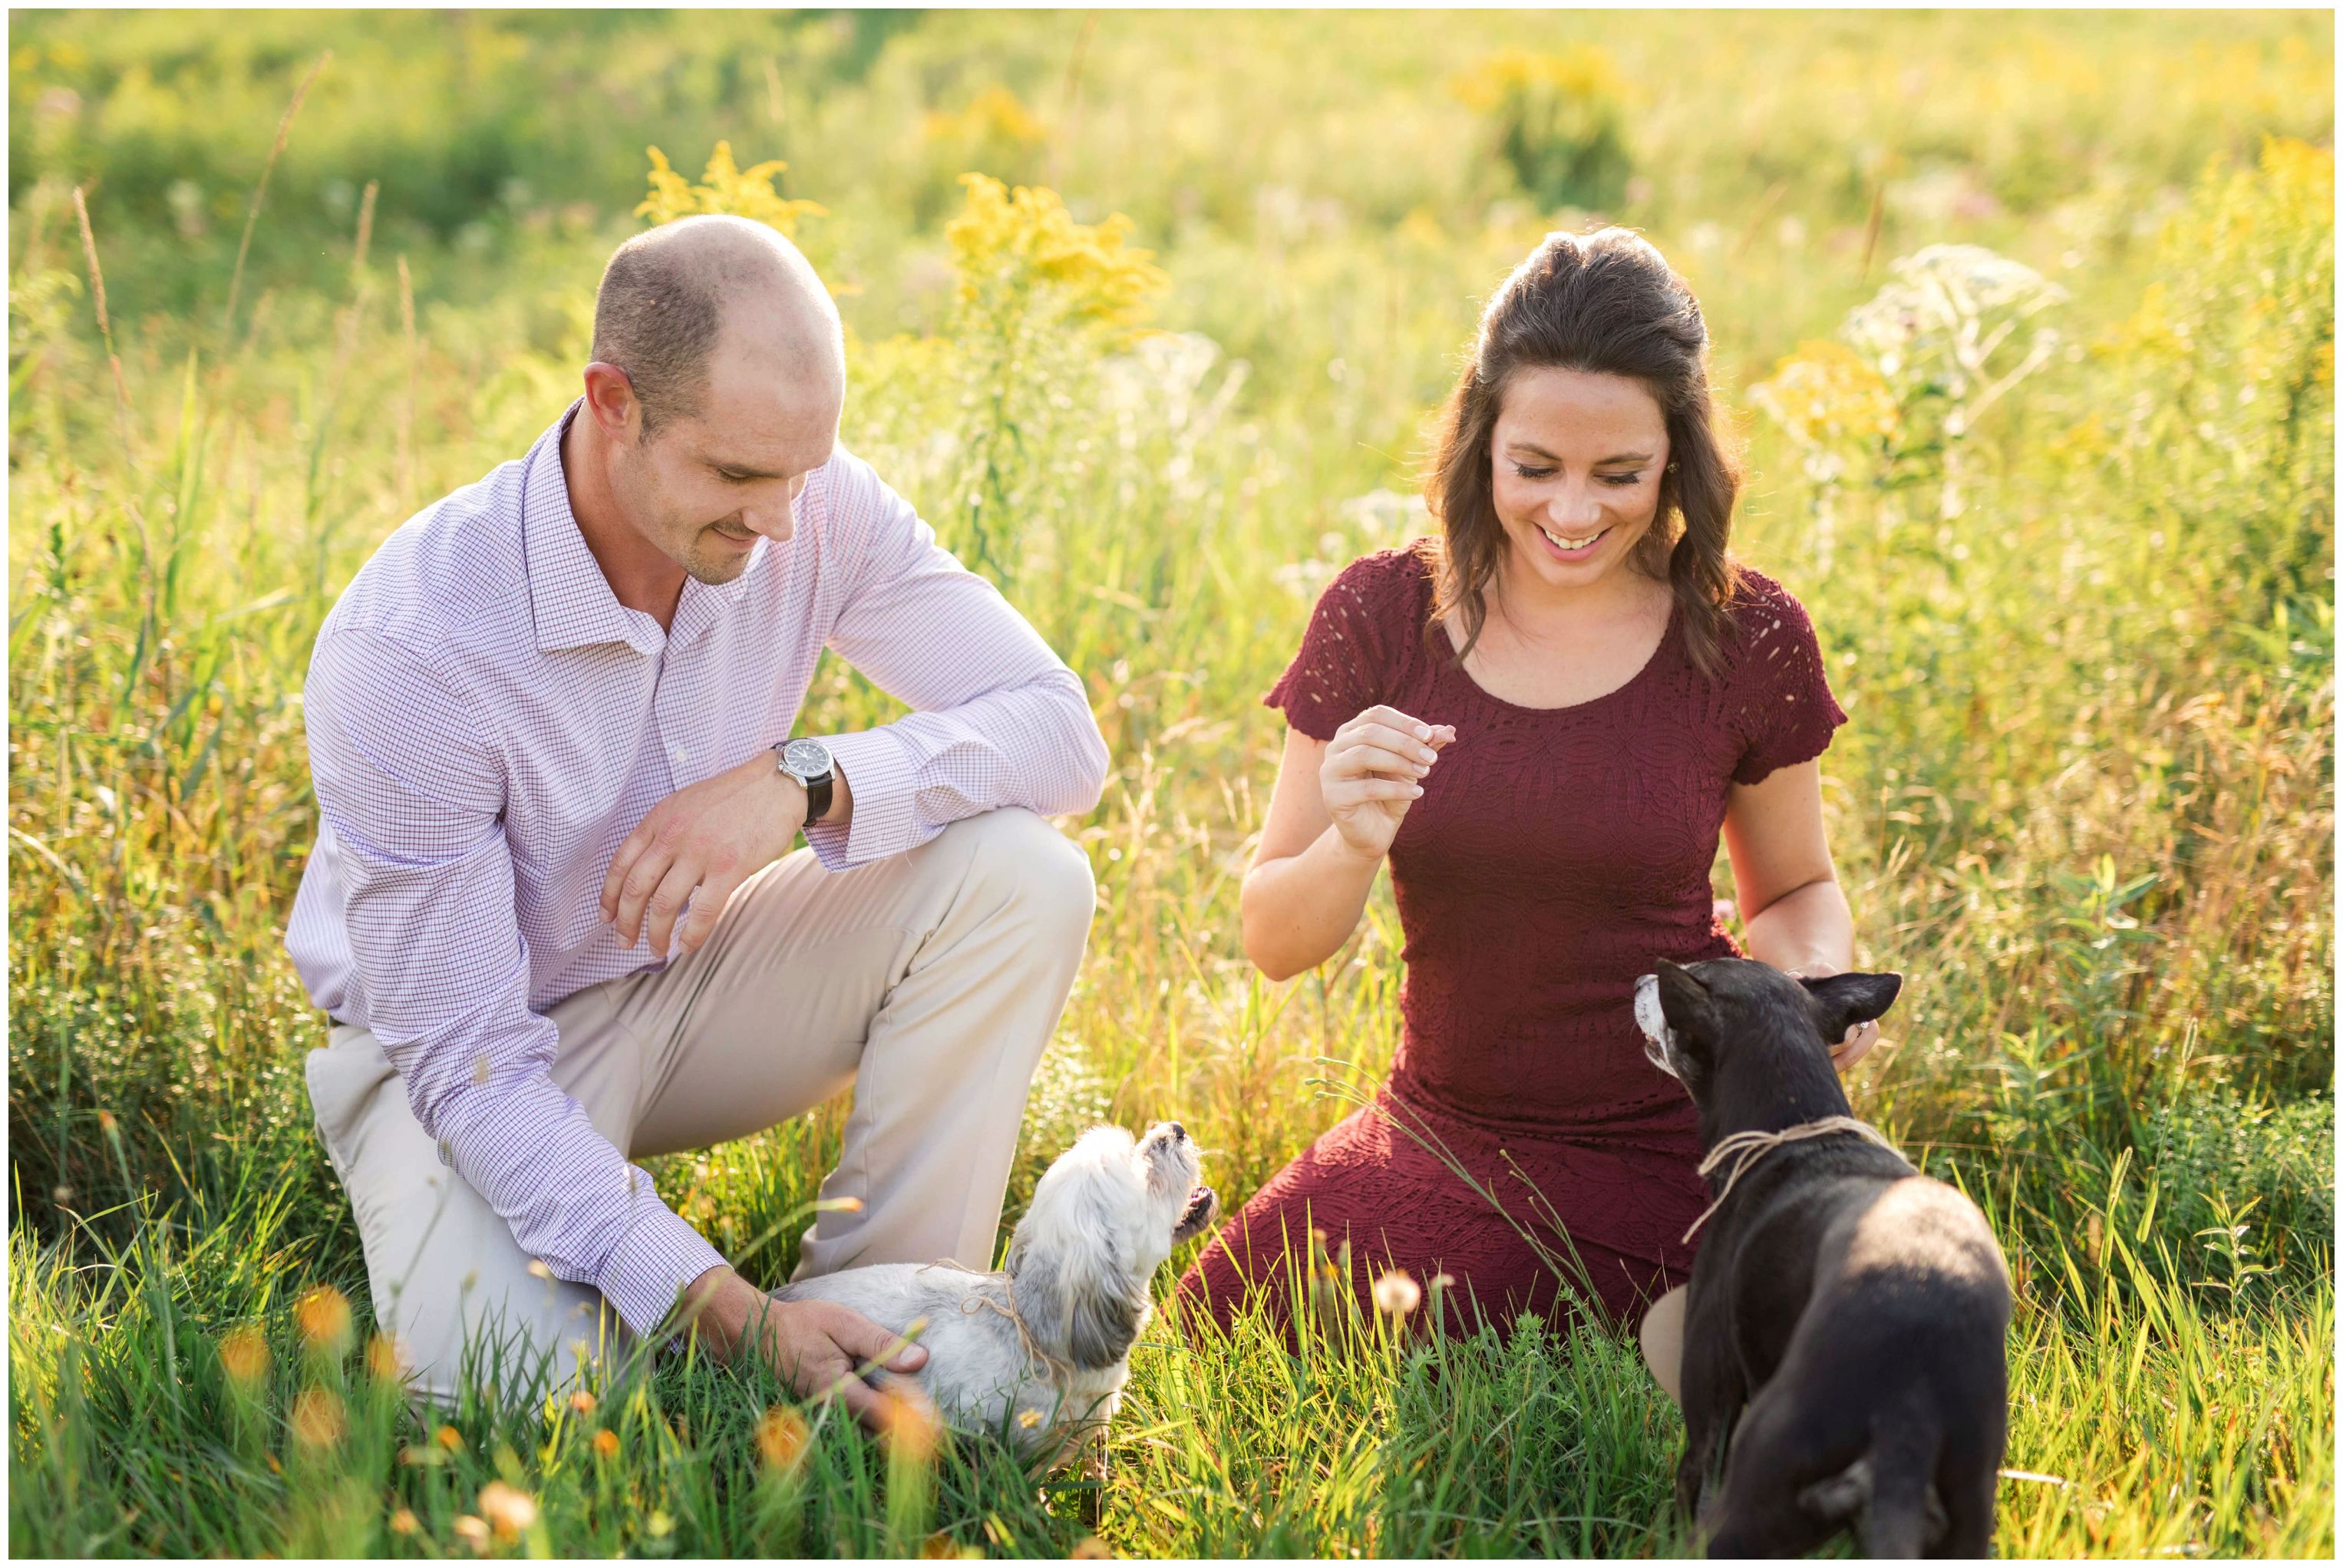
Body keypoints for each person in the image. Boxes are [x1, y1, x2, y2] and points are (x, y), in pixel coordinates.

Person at [288, 214, 1110, 1419]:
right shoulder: (412, 648)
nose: (779, 521)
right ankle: (768, 1346)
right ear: (611, 402)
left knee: (1024, 876)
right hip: (457, 1060)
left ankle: (892, 1336)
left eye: (802, 470)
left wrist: (801, 777)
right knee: (528, 1404)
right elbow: (471, 1073)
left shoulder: (813, 506)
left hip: (687, 983)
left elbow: (1059, 733)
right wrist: (732, 1313)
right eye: (735, 476)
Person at [1176, 226, 1879, 1398]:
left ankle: (1711, 1338)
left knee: (1644, 1371)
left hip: (1682, 1135)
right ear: (1479, 442)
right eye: (1534, 465)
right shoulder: (1382, 614)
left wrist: (1805, 999)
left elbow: (1796, 890)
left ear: (1678, 464)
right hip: (1443, 1124)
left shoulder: (1745, 633)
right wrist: (1352, 839)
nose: (1569, 511)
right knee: (1222, 1334)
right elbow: (1274, 942)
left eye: (1619, 475)